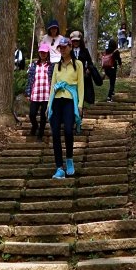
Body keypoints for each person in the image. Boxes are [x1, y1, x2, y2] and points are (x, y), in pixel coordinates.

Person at [47, 35, 84, 179]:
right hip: (56, 100)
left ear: (70, 47)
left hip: (70, 100)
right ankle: (59, 167)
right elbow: (52, 86)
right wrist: (49, 105)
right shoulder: (56, 66)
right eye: (60, 47)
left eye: (64, 47)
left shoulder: (78, 64)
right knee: (55, 133)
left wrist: (80, 105)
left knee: (68, 130)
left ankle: (69, 159)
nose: (62, 50)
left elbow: (81, 85)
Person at [27, 40, 52, 140]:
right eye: (41, 52)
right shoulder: (34, 65)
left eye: (45, 52)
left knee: (43, 116)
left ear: (47, 53)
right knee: (32, 114)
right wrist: (28, 92)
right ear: (39, 52)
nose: (43, 54)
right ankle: (34, 126)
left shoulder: (51, 66)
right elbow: (30, 80)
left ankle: (40, 134)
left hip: (46, 95)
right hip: (35, 94)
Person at [70, 29, 102, 105]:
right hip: (72, 76)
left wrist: (88, 69)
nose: (75, 42)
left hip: (84, 76)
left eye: (77, 41)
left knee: (85, 94)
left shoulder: (85, 51)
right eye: (74, 41)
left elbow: (90, 62)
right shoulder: (69, 51)